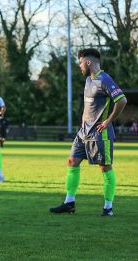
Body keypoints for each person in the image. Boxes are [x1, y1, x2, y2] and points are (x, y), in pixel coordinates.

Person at [50, 48, 127, 216]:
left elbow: (121, 100)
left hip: (100, 134)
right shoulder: (88, 81)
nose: (79, 66)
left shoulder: (105, 79)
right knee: (72, 161)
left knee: (105, 168)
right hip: (83, 133)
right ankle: (69, 202)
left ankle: (108, 208)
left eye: (80, 63)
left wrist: (108, 121)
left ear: (88, 62)